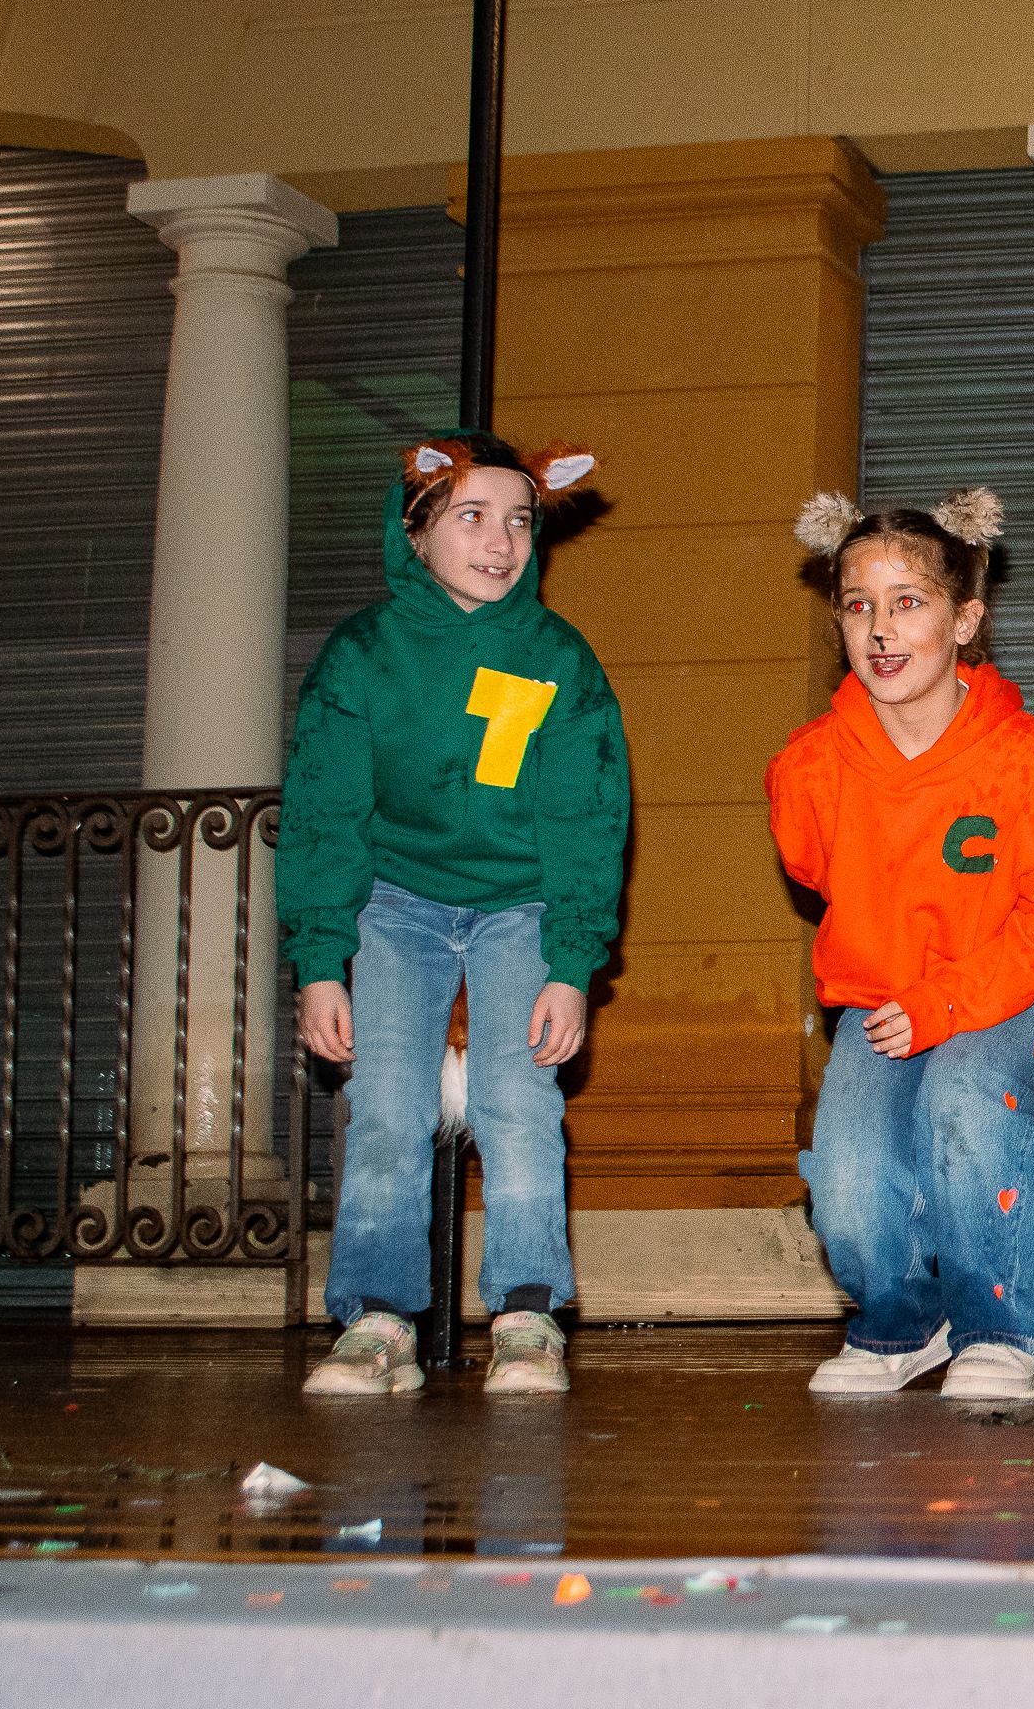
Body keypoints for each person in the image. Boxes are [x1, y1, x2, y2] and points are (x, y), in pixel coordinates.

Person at [284, 432, 627, 1398]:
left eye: (518, 520)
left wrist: (571, 963)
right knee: (387, 1107)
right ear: (417, 530)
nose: (500, 542)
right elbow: (323, 813)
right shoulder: (361, 655)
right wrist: (321, 960)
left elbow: (587, 818)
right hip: (394, 906)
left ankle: (527, 1316)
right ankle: (376, 1322)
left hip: (523, 906)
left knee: (519, 1103)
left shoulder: (557, 660)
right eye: (471, 516)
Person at [769, 489, 1034, 1404]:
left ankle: (999, 1327)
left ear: (964, 621)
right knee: (848, 1174)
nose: (880, 628)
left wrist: (946, 1002)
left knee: (962, 1096)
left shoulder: (1024, 759)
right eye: (858, 604)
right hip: (885, 1000)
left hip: (1022, 990)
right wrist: (907, 986)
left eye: (908, 602)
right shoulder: (811, 766)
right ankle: (904, 1323)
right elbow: (811, 866)